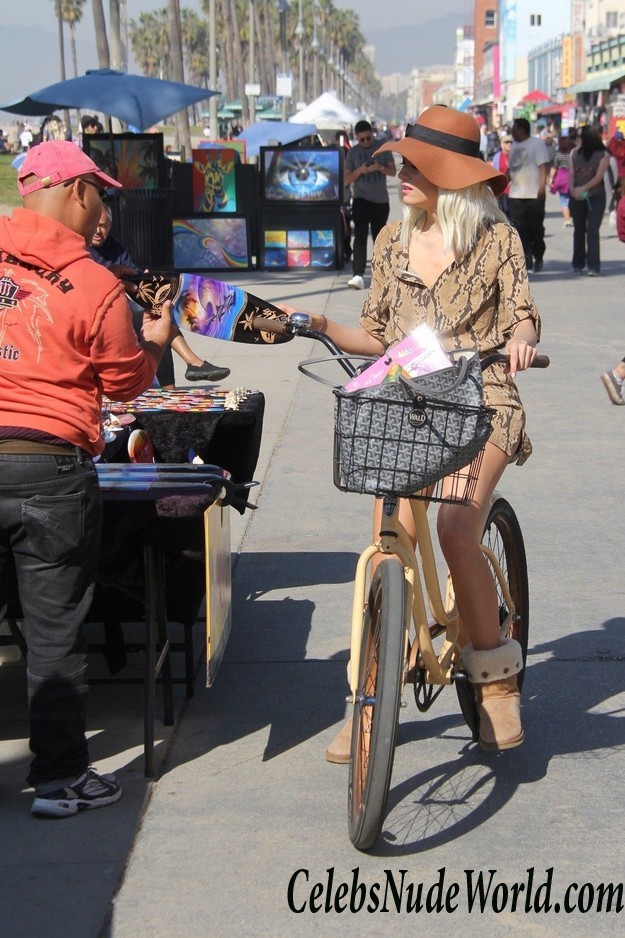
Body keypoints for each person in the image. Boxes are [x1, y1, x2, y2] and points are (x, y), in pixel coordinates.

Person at [282, 106, 540, 761]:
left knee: (456, 527)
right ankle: (369, 698)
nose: (399, 173)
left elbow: (521, 318)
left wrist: (520, 340)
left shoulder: (496, 239)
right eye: (399, 161)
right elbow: (376, 335)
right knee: (385, 544)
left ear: (450, 176)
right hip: (402, 393)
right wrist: (313, 321)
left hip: (479, 395)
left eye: (414, 165)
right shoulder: (391, 242)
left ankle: (495, 676)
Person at [0, 140, 176, 817]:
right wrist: (155, 336)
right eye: (100, 192)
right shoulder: (97, 285)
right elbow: (127, 383)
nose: (102, 206)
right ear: (76, 191)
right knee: (52, 631)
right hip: (49, 469)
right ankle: (60, 779)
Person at [89, 204, 230, 384]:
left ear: (110, 226)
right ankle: (192, 364)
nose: (99, 231)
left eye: (104, 226)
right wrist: (111, 274)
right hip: (97, 313)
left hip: (120, 306)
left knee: (158, 313)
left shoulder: (112, 245)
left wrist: (143, 277)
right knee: (152, 317)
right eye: (96, 224)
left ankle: (178, 380)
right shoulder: (80, 245)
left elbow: (132, 273)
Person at [344, 120, 397, 289]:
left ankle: (381, 274)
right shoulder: (353, 153)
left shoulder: (383, 148)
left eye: (368, 138)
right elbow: (347, 179)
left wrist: (379, 167)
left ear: (372, 134)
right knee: (359, 237)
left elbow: (393, 171)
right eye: (362, 140)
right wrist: (360, 170)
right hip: (360, 199)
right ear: (357, 138)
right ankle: (358, 274)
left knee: (379, 238)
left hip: (380, 200)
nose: (366, 142)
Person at [507, 117, 551, 272]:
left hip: (533, 194)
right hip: (516, 194)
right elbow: (510, 169)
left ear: (522, 129)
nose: (512, 132)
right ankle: (526, 259)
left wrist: (542, 187)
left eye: (514, 129)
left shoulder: (537, 144)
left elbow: (543, 166)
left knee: (536, 229)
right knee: (519, 229)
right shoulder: (513, 146)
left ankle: (538, 256)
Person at [568, 124, 610, 276]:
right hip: (577, 196)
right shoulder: (574, 153)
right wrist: (572, 189)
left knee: (592, 229)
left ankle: (593, 265)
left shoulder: (603, 154)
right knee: (578, 229)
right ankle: (578, 262)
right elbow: (571, 173)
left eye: (580, 136)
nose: (578, 139)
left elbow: (598, 177)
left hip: (596, 195)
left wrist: (583, 188)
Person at [549, 135, 575, 227]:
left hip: (561, 179)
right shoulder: (574, 154)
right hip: (573, 178)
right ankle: (574, 217)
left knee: (564, 201)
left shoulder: (558, 155)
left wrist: (551, 179)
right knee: (573, 199)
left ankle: (567, 220)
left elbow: (554, 168)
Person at [491, 132, 512, 214]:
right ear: (502, 144)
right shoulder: (497, 157)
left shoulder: (516, 156)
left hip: (514, 192)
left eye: (511, 142)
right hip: (502, 192)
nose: (509, 144)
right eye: (507, 142)